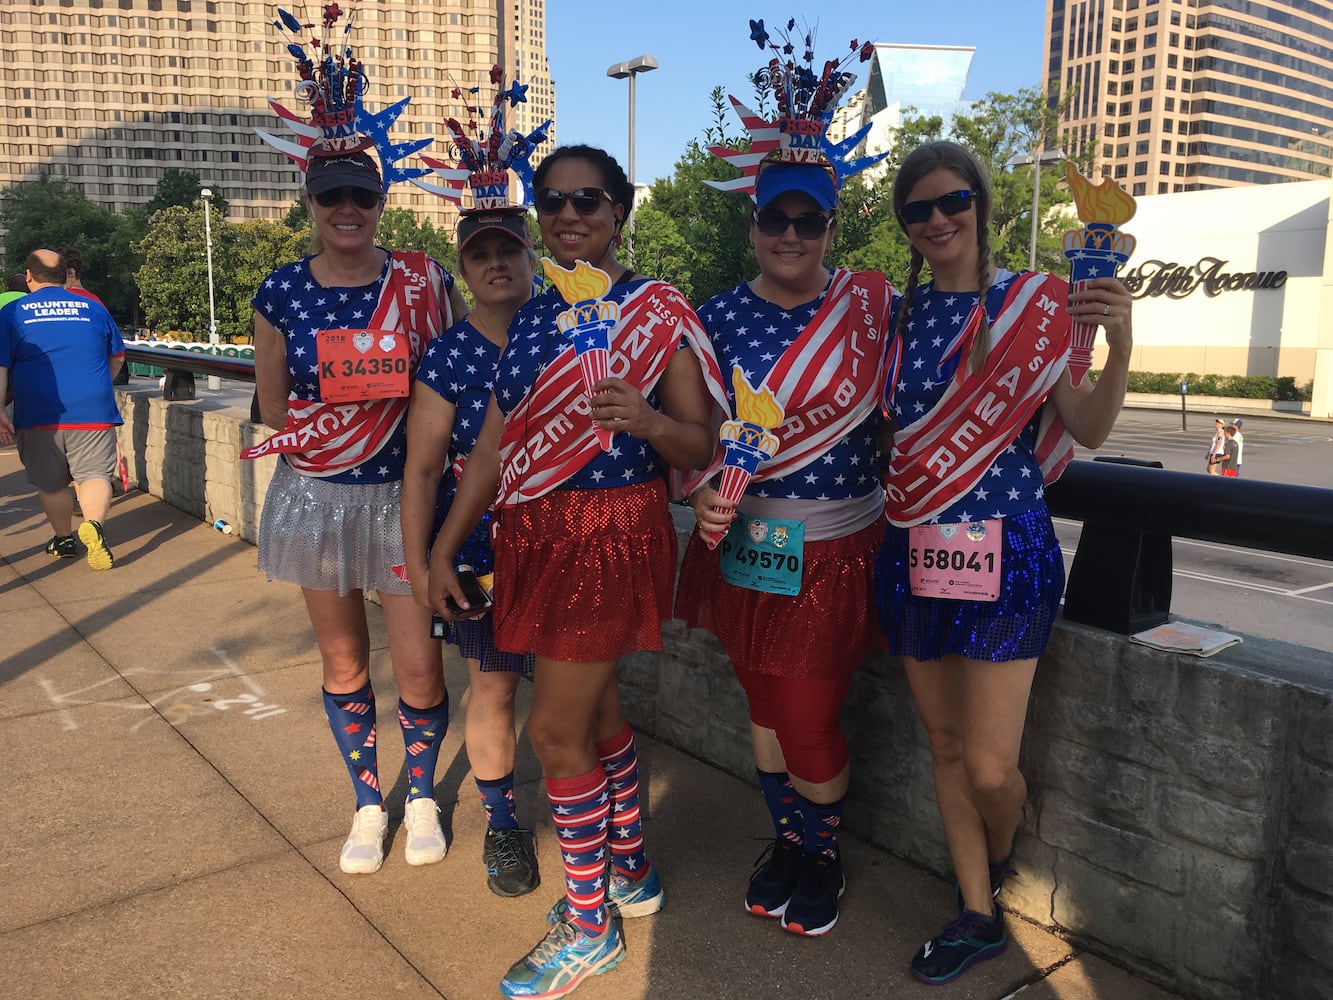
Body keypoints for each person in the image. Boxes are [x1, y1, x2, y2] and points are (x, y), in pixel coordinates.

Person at [427, 144, 717, 1000]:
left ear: (620, 210)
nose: (568, 215)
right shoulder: (532, 314)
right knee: (594, 712)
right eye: (551, 203)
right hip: (530, 535)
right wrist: (445, 545)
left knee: (553, 734)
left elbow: (700, 441)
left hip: (606, 530)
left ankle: (589, 926)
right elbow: (489, 444)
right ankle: (628, 874)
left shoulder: (656, 311)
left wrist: (648, 420)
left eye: (588, 200)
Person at [876, 141, 1132, 985]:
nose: (936, 220)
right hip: (912, 544)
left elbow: (1087, 430)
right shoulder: (898, 322)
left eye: (950, 201)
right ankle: (977, 911)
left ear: (982, 206)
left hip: (1006, 548)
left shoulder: (1037, 307)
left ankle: (999, 850)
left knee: (990, 766)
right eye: (916, 210)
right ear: (905, 226)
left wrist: (1120, 344)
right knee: (944, 744)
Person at [674, 22, 898, 939]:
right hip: (746, 544)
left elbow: (936, 384)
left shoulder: (875, 304)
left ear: (832, 226)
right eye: (776, 218)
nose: (792, 234)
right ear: (753, 222)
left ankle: (822, 850)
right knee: (762, 705)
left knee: (805, 714)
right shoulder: (712, 315)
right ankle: (790, 842)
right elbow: (688, 435)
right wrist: (697, 488)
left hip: (837, 543)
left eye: (810, 220)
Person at [244, 8, 469, 877]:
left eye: (363, 195)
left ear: (381, 202)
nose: (349, 209)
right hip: (315, 493)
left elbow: (458, 375)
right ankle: (364, 803)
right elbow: (272, 407)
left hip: (402, 496)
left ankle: (420, 795)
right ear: (310, 202)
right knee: (342, 659)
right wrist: (339, 404)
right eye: (332, 195)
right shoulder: (280, 291)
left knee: (415, 666)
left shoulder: (422, 278)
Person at [402, 83, 548, 899]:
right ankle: (502, 826)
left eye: (509, 248)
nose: (497, 262)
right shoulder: (448, 356)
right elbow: (422, 470)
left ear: (531, 256)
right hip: (483, 546)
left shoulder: (573, 329)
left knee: (577, 689)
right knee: (491, 687)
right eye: (480, 252)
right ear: (463, 267)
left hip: (568, 536)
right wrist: (424, 565)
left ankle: (605, 821)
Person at [0, 249, 124, 570]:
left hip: (39, 411)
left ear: (29, 276)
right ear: (65, 274)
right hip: (93, 409)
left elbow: (1, 366)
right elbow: (118, 357)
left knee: (52, 482)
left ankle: (64, 539)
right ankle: (93, 526)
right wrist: (98, 386)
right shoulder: (93, 308)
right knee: (94, 473)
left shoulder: (13, 313)